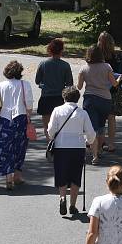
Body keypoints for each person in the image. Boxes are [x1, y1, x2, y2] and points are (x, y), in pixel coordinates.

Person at [48, 86, 95, 215]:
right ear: (77, 98)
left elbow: (51, 130)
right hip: (77, 147)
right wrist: (88, 142)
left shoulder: (57, 110)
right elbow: (91, 132)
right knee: (75, 176)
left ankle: (62, 197)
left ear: (64, 97)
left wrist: (53, 137)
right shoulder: (82, 113)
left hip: (61, 147)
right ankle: (73, 205)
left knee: (61, 173)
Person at [77, 45, 118, 165]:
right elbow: (114, 84)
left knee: (92, 127)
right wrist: (118, 80)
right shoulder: (107, 67)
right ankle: (99, 150)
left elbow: (79, 87)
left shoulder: (84, 68)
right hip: (105, 99)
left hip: (90, 99)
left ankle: (94, 155)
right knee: (101, 126)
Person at [0, 60, 34, 190]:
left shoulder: (0, 85)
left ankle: (8, 178)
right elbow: (29, 104)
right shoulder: (25, 84)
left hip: (4, 118)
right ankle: (17, 175)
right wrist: (29, 115)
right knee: (20, 147)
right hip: (20, 118)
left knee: (5, 148)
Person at [35, 38, 73, 140]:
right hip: (59, 98)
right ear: (61, 51)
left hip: (46, 97)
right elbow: (70, 84)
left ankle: (49, 143)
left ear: (50, 50)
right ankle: (58, 144)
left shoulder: (43, 64)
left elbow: (37, 80)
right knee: (59, 125)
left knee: (47, 126)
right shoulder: (65, 65)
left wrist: (43, 84)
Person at [97, 31, 122, 153]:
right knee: (111, 118)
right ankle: (111, 144)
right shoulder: (116, 56)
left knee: (99, 118)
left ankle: (100, 141)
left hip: (99, 88)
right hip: (114, 89)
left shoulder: (96, 55)